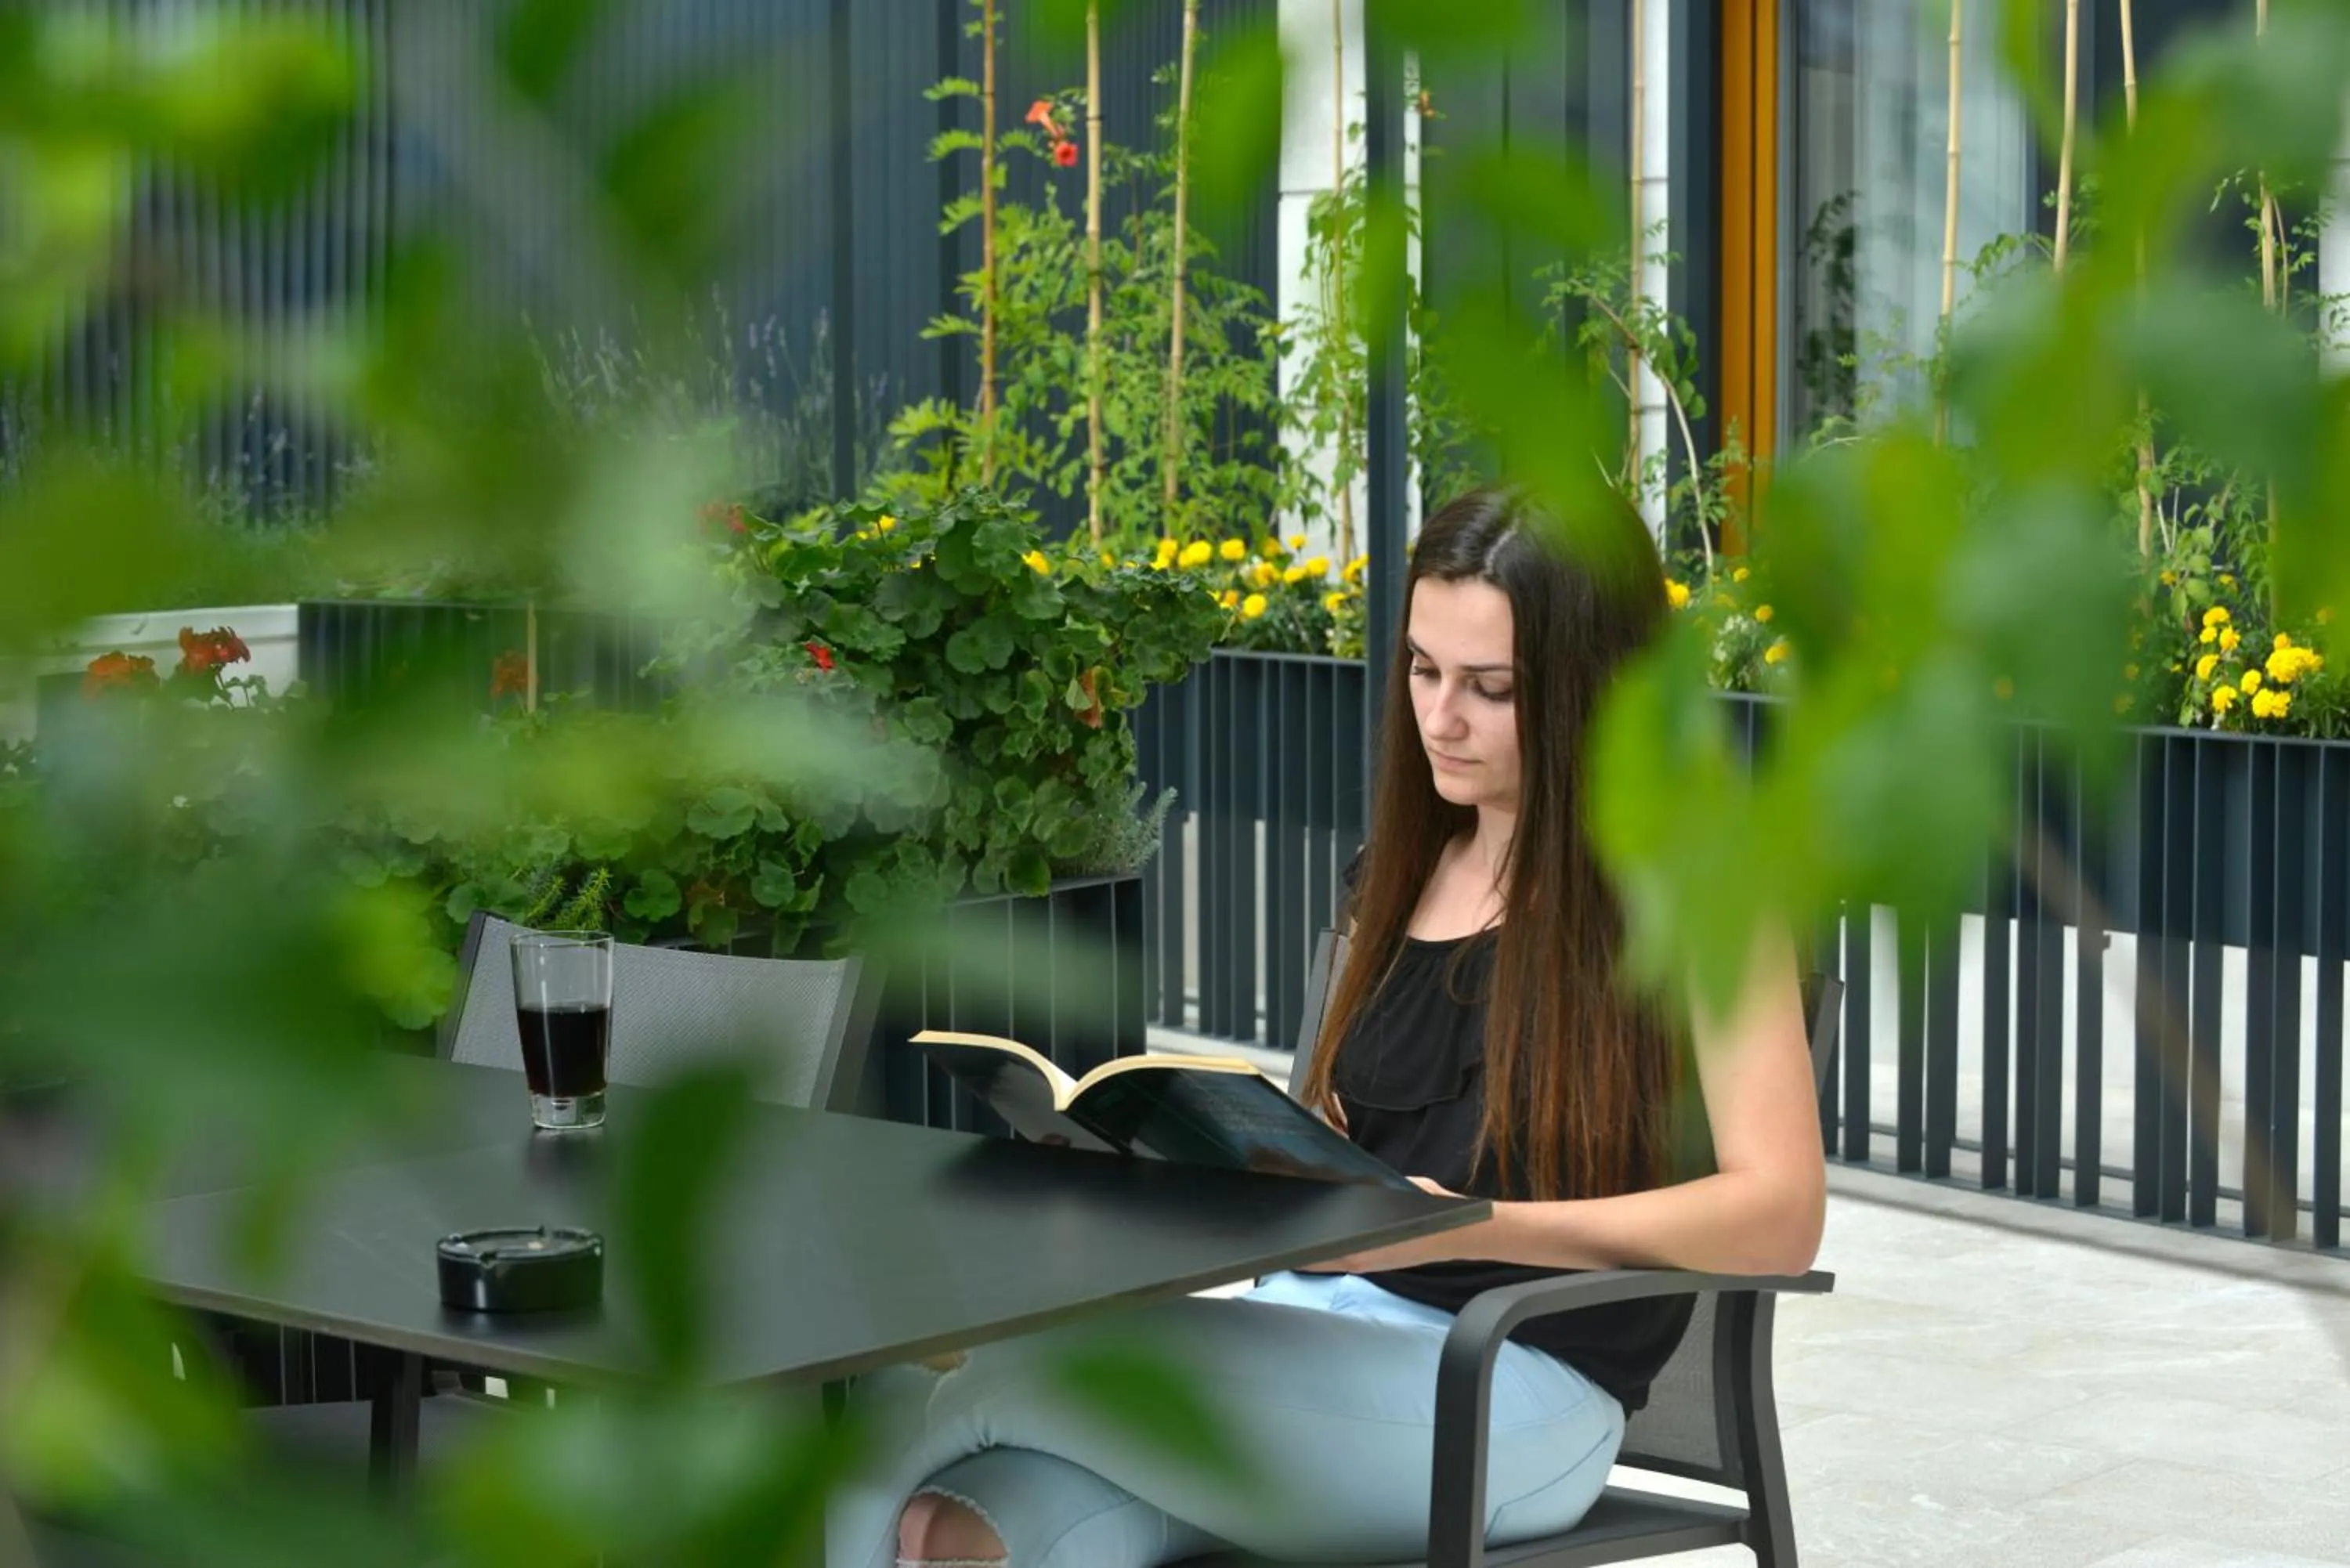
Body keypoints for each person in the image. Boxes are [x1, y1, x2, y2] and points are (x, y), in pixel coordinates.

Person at [832, 487, 1828, 1568]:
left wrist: (1477, 1227)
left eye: (1491, 689)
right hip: (1312, 1338)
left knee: (985, 1366)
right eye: (1422, 668)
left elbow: (1779, 1216)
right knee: (963, 1528)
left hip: (1506, 1387)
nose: (1438, 717)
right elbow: (1340, 1149)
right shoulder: (1402, 874)